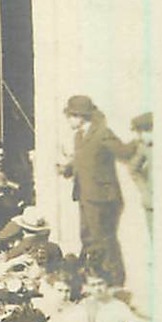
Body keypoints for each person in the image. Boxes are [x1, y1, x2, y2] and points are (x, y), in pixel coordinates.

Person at [57, 94, 132, 286]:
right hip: (85, 195)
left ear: (82, 116)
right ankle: (96, 278)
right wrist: (66, 169)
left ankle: (114, 282)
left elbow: (123, 152)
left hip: (102, 198)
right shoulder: (79, 136)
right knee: (88, 237)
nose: (69, 120)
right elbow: (81, 162)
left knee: (103, 240)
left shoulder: (102, 133)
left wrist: (143, 141)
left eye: (71, 116)